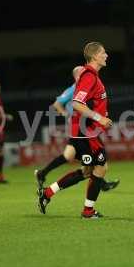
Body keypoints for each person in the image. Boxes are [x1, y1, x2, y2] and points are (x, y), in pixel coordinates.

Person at [37, 42, 113, 218]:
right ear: (94, 56)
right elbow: (77, 104)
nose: (106, 55)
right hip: (86, 132)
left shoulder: (92, 76)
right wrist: (99, 118)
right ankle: (88, 211)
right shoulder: (89, 76)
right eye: (103, 52)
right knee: (101, 168)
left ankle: (47, 194)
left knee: (88, 171)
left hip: (86, 131)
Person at [34, 66, 119, 192]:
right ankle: (101, 185)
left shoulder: (86, 87)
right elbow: (57, 104)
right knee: (92, 159)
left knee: (69, 156)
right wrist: (66, 114)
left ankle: (42, 174)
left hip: (85, 128)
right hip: (79, 129)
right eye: (81, 73)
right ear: (76, 76)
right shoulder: (73, 89)